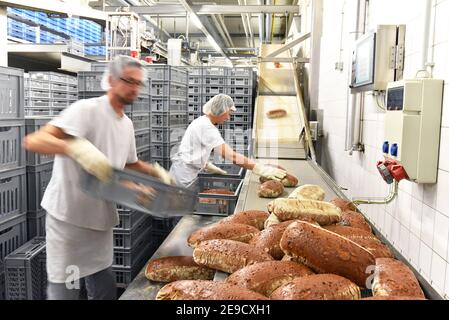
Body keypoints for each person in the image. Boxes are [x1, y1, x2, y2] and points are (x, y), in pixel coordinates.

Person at [22, 55, 172, 300]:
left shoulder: (126, 124)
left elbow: (129, 163)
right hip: (69, 217)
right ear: (111, 80)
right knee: (67, 289)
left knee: (102, 286)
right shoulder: (86, 110)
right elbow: (35, 140)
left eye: (138, 83)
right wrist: (75, 148)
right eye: (128, 81)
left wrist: (156, 173)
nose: (134, 88)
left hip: (100, 218)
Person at [169, 93, 287, 188]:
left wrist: (206, 164)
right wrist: (260, 168)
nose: (228, 118)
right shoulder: (206, 128)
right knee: (179, 210)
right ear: (220, 111)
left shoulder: (201, 121)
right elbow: (232, 156)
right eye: (228, 113)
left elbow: (191, 149)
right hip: (184, 177)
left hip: (183, 171)